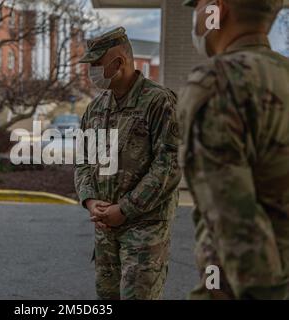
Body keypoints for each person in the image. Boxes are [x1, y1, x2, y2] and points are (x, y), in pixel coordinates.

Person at [179, 0, 289, 299]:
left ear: (218, 9)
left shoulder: (218, 83)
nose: (196, 16)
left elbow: (235, 223)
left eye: (198, 6)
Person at [75, 27, 182, 299]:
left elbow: (168, 166)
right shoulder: (96, 108)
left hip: (144, 231)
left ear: (119, 62)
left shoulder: (158, 101)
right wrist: (90, 200)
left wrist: (125, 208)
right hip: (105, 232)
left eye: (97, 65)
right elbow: (85, 160)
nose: (91, 72)